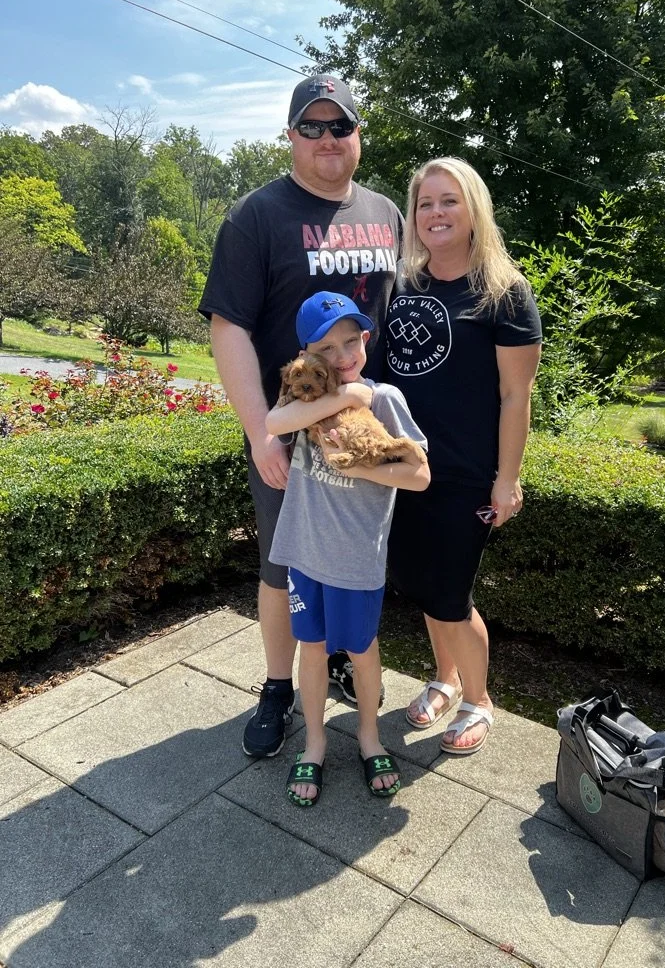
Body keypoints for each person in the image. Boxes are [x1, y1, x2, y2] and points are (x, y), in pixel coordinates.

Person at [198, 75, 402, 760]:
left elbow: (391, 323)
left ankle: (336, 659)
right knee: (283, 567)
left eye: (338, 126)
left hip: (361, 427)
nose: (325, 140)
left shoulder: (385, 212)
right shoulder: (256, 215)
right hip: (287, 431)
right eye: (310, 127)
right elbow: (229, 329)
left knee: (354, 555)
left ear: (357, 135)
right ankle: (279, 686)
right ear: (289, 135)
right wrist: (260, 433)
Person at [385, 157, 542, 756]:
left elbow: (514, 394)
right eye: (425, 203)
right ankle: (445, 680)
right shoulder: (402, 286)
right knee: (421, 585)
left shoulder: (505, 292)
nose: (435, 213)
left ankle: (479, 699)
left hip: (464, 473)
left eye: (448, 201)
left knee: (450, 593)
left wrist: (507, 480)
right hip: (401, 469)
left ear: (473, 208)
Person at [266, 291, 429, 805]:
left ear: (366, 339)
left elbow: (420, 475)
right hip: (304, 547)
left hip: (355, 555)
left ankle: (369, 737)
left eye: (351, 341)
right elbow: (272, 425)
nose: (342, 357)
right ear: (306, 357)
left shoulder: (386, 398)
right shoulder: (299, 401)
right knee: (310, 647)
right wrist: (341, 399)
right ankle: (314, 743)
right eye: (327, 349)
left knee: (360, 648)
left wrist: (356, 467)